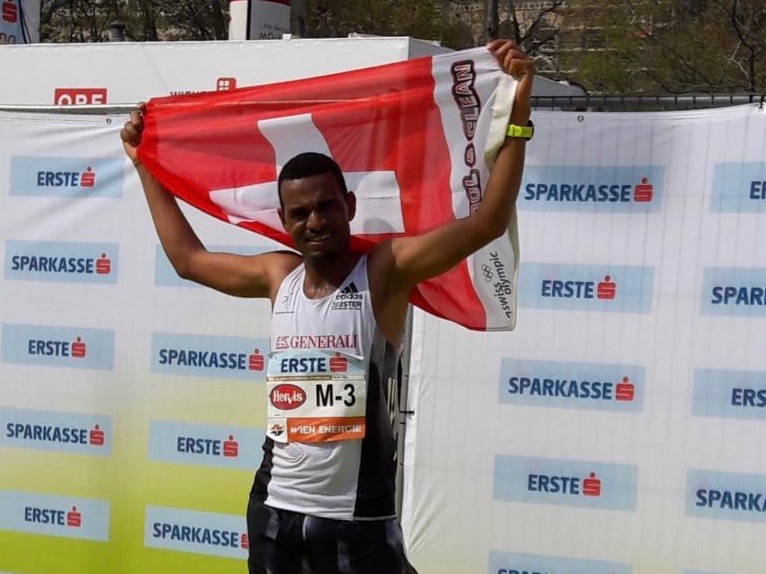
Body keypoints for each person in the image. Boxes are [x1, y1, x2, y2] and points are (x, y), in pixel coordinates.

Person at [121, 38, 533, 574]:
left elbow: (485, 223)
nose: (314, 221)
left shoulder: (385, 272)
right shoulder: (278, 275)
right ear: (285, 221)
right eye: (300, 213)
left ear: (350, 207)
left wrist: (519, 117)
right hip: (275, 510)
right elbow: (188, 259)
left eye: (326, 207)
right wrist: (146, 167)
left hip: (356, 520)